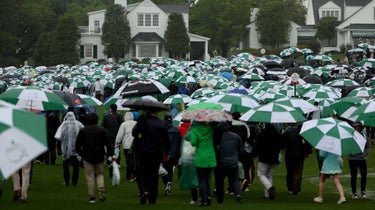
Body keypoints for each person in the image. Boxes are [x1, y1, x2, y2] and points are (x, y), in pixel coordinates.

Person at [132, 110, 170, 205]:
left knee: (141, 172)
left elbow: (134, 133)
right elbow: (166, 139)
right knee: (153, 174)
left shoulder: (142, 121)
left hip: (143, 151)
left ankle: (143, 190)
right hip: (156, 152)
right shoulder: (160, 123)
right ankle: (152, 198)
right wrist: (167, 152)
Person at [75, 113, 114, 203]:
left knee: (90, 177)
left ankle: (92, 196)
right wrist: (111, 153)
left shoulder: (83, 131)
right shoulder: (101, 130)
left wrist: (81, 154)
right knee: (99, 174)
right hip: (99, 155)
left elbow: (77, 145)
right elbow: (108, 143)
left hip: (87, 156)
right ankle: (101, 188)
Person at [214, 121, 243, 204]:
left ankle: (220, 199)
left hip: (220, 162)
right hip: (233, 162)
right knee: (235, 180)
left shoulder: (217, 137)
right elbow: (240, 150)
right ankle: (238, 195)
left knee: (220, 181)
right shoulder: (236, 136)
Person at [253, 123, 283, 200]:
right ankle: (267, 194)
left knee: (261, 175)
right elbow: (281, 145)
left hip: (264, 158)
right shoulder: (277, 134)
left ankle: (269, 188)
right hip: (274, 158)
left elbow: (257, 145)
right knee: (269, 175)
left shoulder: (262, 134)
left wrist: (254, 154)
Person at [190, 121, 216, 206]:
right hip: (210, 157)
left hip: (200, 157)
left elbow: (193, 143)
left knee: (201, 180)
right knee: (207, 179)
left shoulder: (195, 130)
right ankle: (208, 197)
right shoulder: (211, 129)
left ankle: (203, 200)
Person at [55, 111, 84, 186]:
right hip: (76, 148)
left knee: (65, 165)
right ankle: (74, 182)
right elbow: (84, 133)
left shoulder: (64, 124)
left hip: (66, 148)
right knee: (76, 165)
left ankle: (66, 180)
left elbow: (58, 136)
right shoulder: (78, 124)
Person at [283, 123, 312, 195]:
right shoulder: (301, 131)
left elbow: (283, 143)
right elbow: (305, 143)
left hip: (289, 154)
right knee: (298, 172)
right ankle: (297, 188)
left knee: (290, 171)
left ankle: (290, 188)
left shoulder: (287, 131)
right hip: (299, 155)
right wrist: (308, 152)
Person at [230, 112, 251, 192]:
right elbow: (248, 136)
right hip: (241, 148)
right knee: (243, 166)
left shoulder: (230, 125)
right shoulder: (244, 125)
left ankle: (234, 185)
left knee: (232, 167)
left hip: (232, 148)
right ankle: (244, 183)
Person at [161, 114, 182, 196]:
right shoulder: (176, 130)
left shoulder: (162, 130)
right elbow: (180, 142)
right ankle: (169, 182)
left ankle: (166, 183)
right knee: (169, 170)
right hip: (173, 154)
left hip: (163, 153)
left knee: (162, 171)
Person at [349, 122, 370, 199]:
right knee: (353, 176)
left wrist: (364, 154)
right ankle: (354, 192)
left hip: (362, 159)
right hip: (352, 159)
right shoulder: (350, 136)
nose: (357, 128)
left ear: (361, 127)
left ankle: (363, 191)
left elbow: (367, 146)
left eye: (358, 126)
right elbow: (347, 147)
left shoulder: (364, 135)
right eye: (355, 127)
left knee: (364, 175)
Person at [114, 111, 137, 181]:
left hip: (127, 145)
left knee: (129, 160)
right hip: (136, 144)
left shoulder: (123, 124)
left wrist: (116, 144)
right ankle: (133, 174)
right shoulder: (136, 123)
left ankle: (130, 175)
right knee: (134, 160)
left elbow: (119, 135)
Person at [102, 104, 123, 177]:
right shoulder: (119, 116)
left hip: (108, 135)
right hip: (117, 135)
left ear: (111, 109)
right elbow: (122, 125)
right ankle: (117, 162)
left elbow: (103, 126)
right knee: (117, 148)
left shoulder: (106, 116)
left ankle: (109, 162)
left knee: (109, 148)